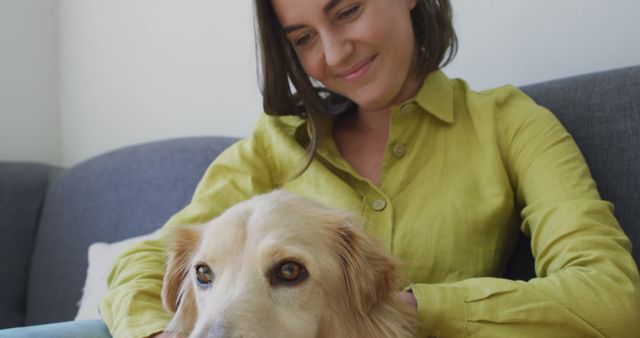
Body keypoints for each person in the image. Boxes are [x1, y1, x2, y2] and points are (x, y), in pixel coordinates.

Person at [2, 0, 638, 337]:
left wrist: (404, 310)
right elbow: (149, 263)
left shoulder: (510, 123)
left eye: (347, 9)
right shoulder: (270, 146)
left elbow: (614, 299)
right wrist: (156, 334)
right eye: (302, 37)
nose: (332, 53)